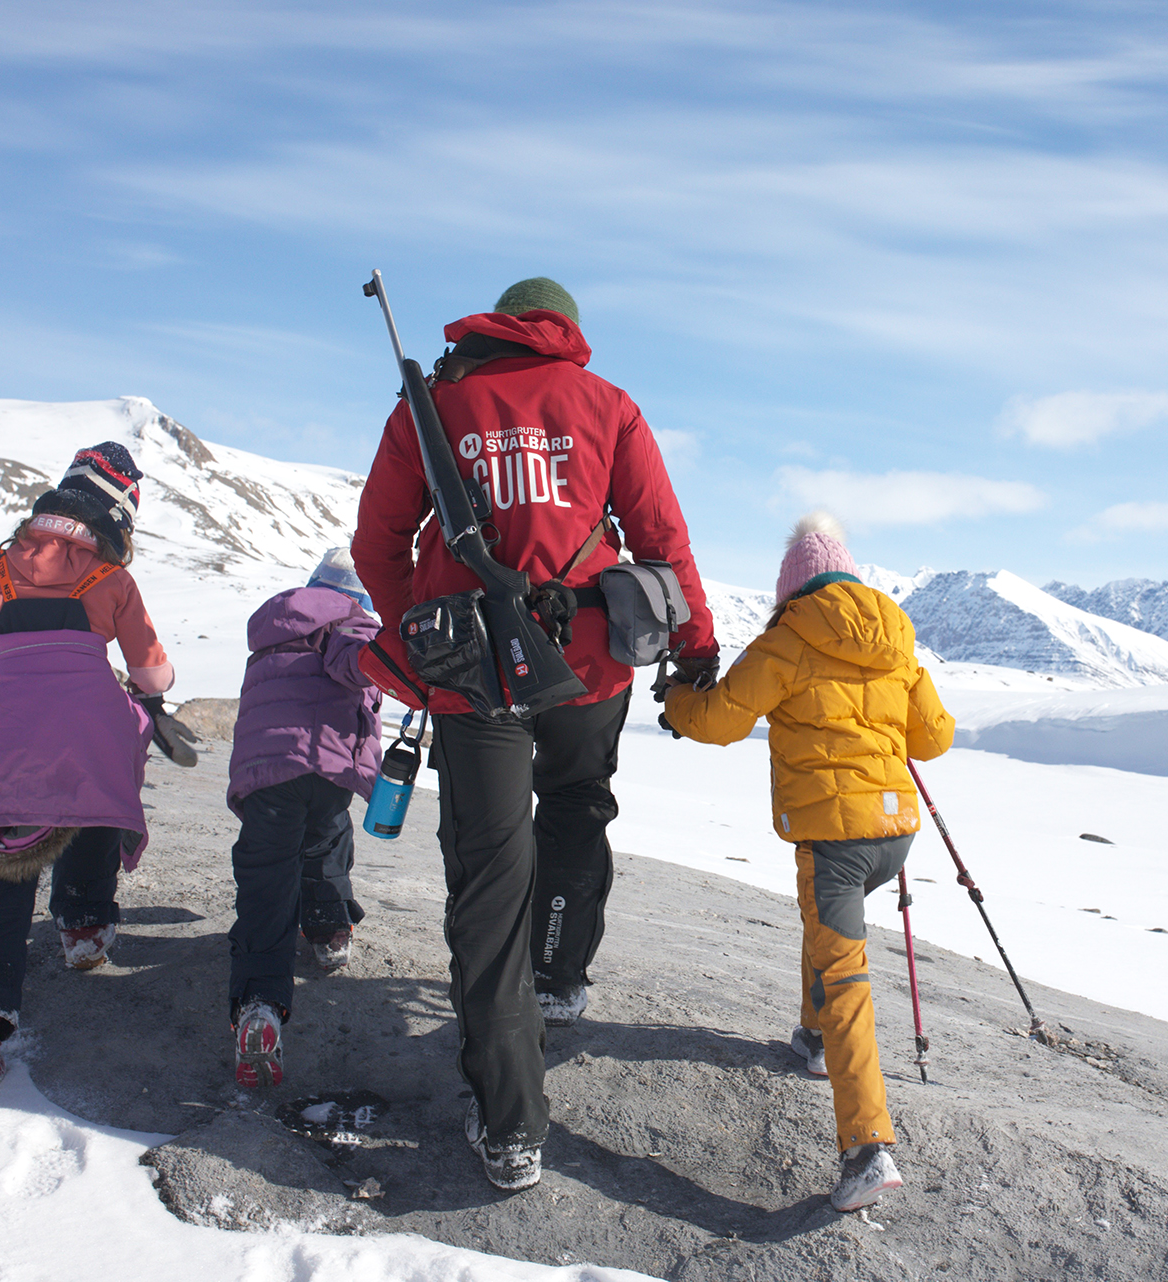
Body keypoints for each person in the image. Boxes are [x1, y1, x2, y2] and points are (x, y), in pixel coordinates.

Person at [352, 276, 718, 1190]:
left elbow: (378, 543)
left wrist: (418, 638)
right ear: (566, 332)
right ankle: (559, 976)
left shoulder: (437, 405)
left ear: (496, 327)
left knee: (489, 878)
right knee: (578, 807)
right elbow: (662, 539)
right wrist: (697, 643)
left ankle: (511, 1123)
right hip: (591, 664)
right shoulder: (608, 405)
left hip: (472, 675)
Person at [659, 512, 954, 1214]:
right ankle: (813, 1037)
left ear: (791, 588)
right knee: (825, 925)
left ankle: (867, 1149)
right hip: (893, 832)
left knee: (845, 973)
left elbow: (722, 719)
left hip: (835, 837)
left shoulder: (789, 638)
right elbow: (934, 738)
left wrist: (675, 703)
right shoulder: (897, 638)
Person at [0, 442, 172, 1089]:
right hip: (81, 731)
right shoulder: (112, 577)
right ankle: (84, 926)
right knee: (96, 791)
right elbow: (152, 673)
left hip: (2, 733)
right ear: (118, 516)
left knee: (1, 857)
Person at [226, 548, 382, 1088]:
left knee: (267, 877)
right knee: (327, 836)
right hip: (328, 768)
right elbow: (353, 661)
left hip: (266, 771)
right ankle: (328, 927)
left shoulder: (275, 624)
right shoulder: (350, 620)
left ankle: (260, 1006)